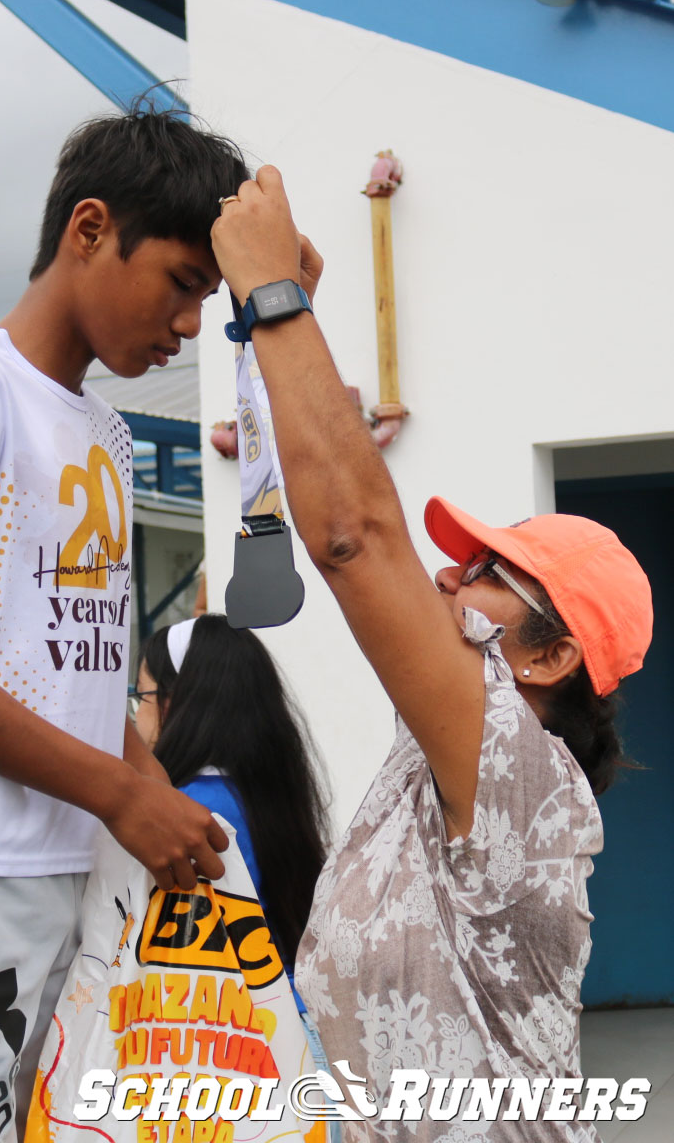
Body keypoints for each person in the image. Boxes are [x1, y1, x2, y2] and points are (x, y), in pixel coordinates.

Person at [210, 168, 653, 1140]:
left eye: (492, 572)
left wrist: (273, 298)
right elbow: (341, 518)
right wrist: (288, 344)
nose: (450, 579)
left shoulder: (517, 780)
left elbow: (354, 540)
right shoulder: (441, 756)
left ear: (550, 660)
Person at [0, 108, 248, 1143]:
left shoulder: (101, 430)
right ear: (91, 229)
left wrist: (150, 800)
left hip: (60, 863)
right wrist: (118, 791)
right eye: (184, 283)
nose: (190, 324)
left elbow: (76, 671)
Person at [131, 613, 330, 998]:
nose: (137, 714)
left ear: (175, 701)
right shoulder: (269, 791)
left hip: (219, 1027)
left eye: (142, 696)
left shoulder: (183, 809)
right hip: (289, 1012)